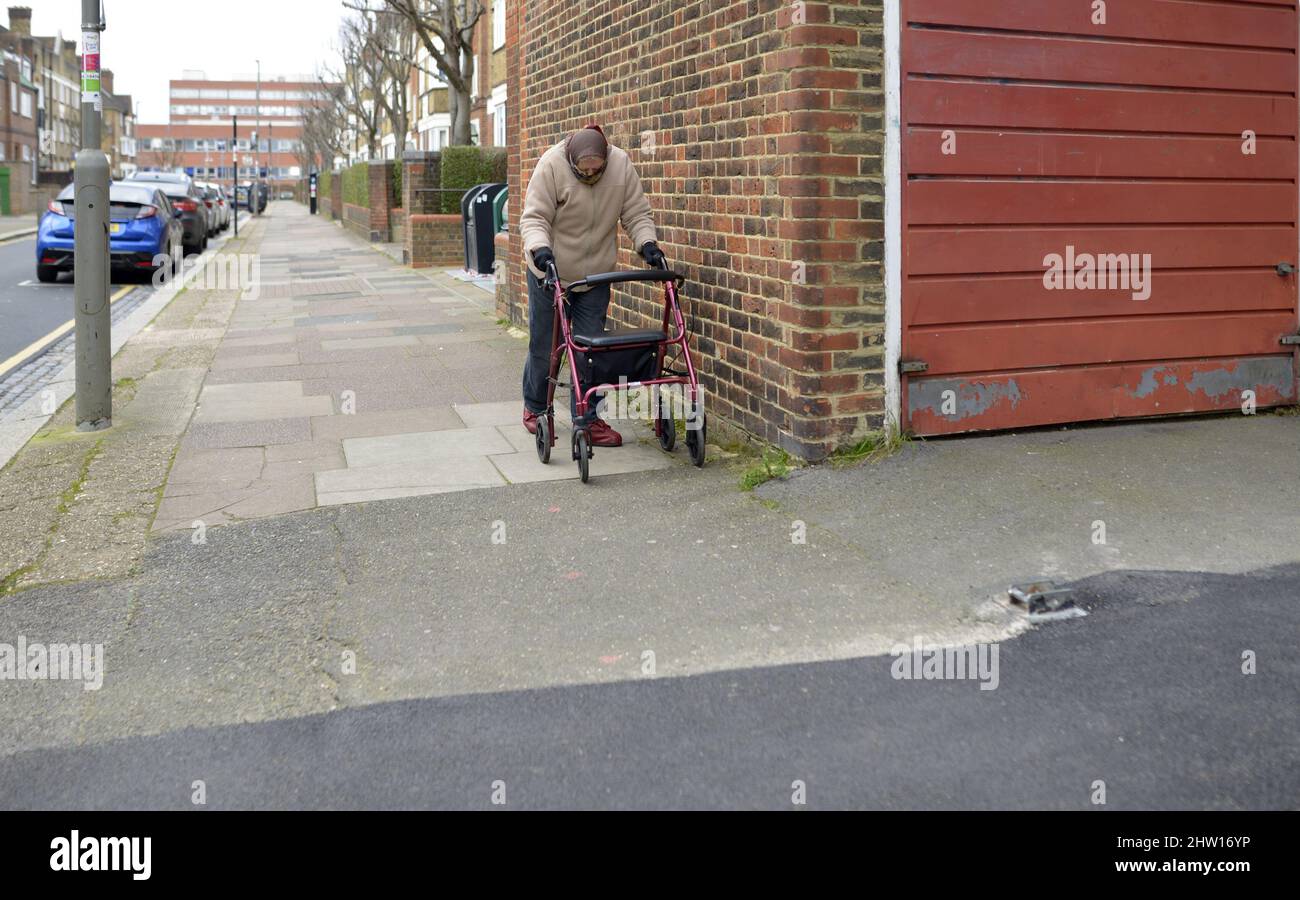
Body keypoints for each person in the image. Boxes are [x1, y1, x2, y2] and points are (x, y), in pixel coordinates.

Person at [519, 124, 666, 447]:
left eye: (596, 171)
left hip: (595, 274)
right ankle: (535, 408)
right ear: (572, 161)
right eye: (583, 172)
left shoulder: (621, 164)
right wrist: (540, 249)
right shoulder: (551, 165)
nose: (590, 176)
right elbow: (534, 218)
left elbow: (636, 213)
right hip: (550, 271)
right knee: (546, 346)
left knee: (590, 351)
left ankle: (587, 418)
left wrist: (648, 244)